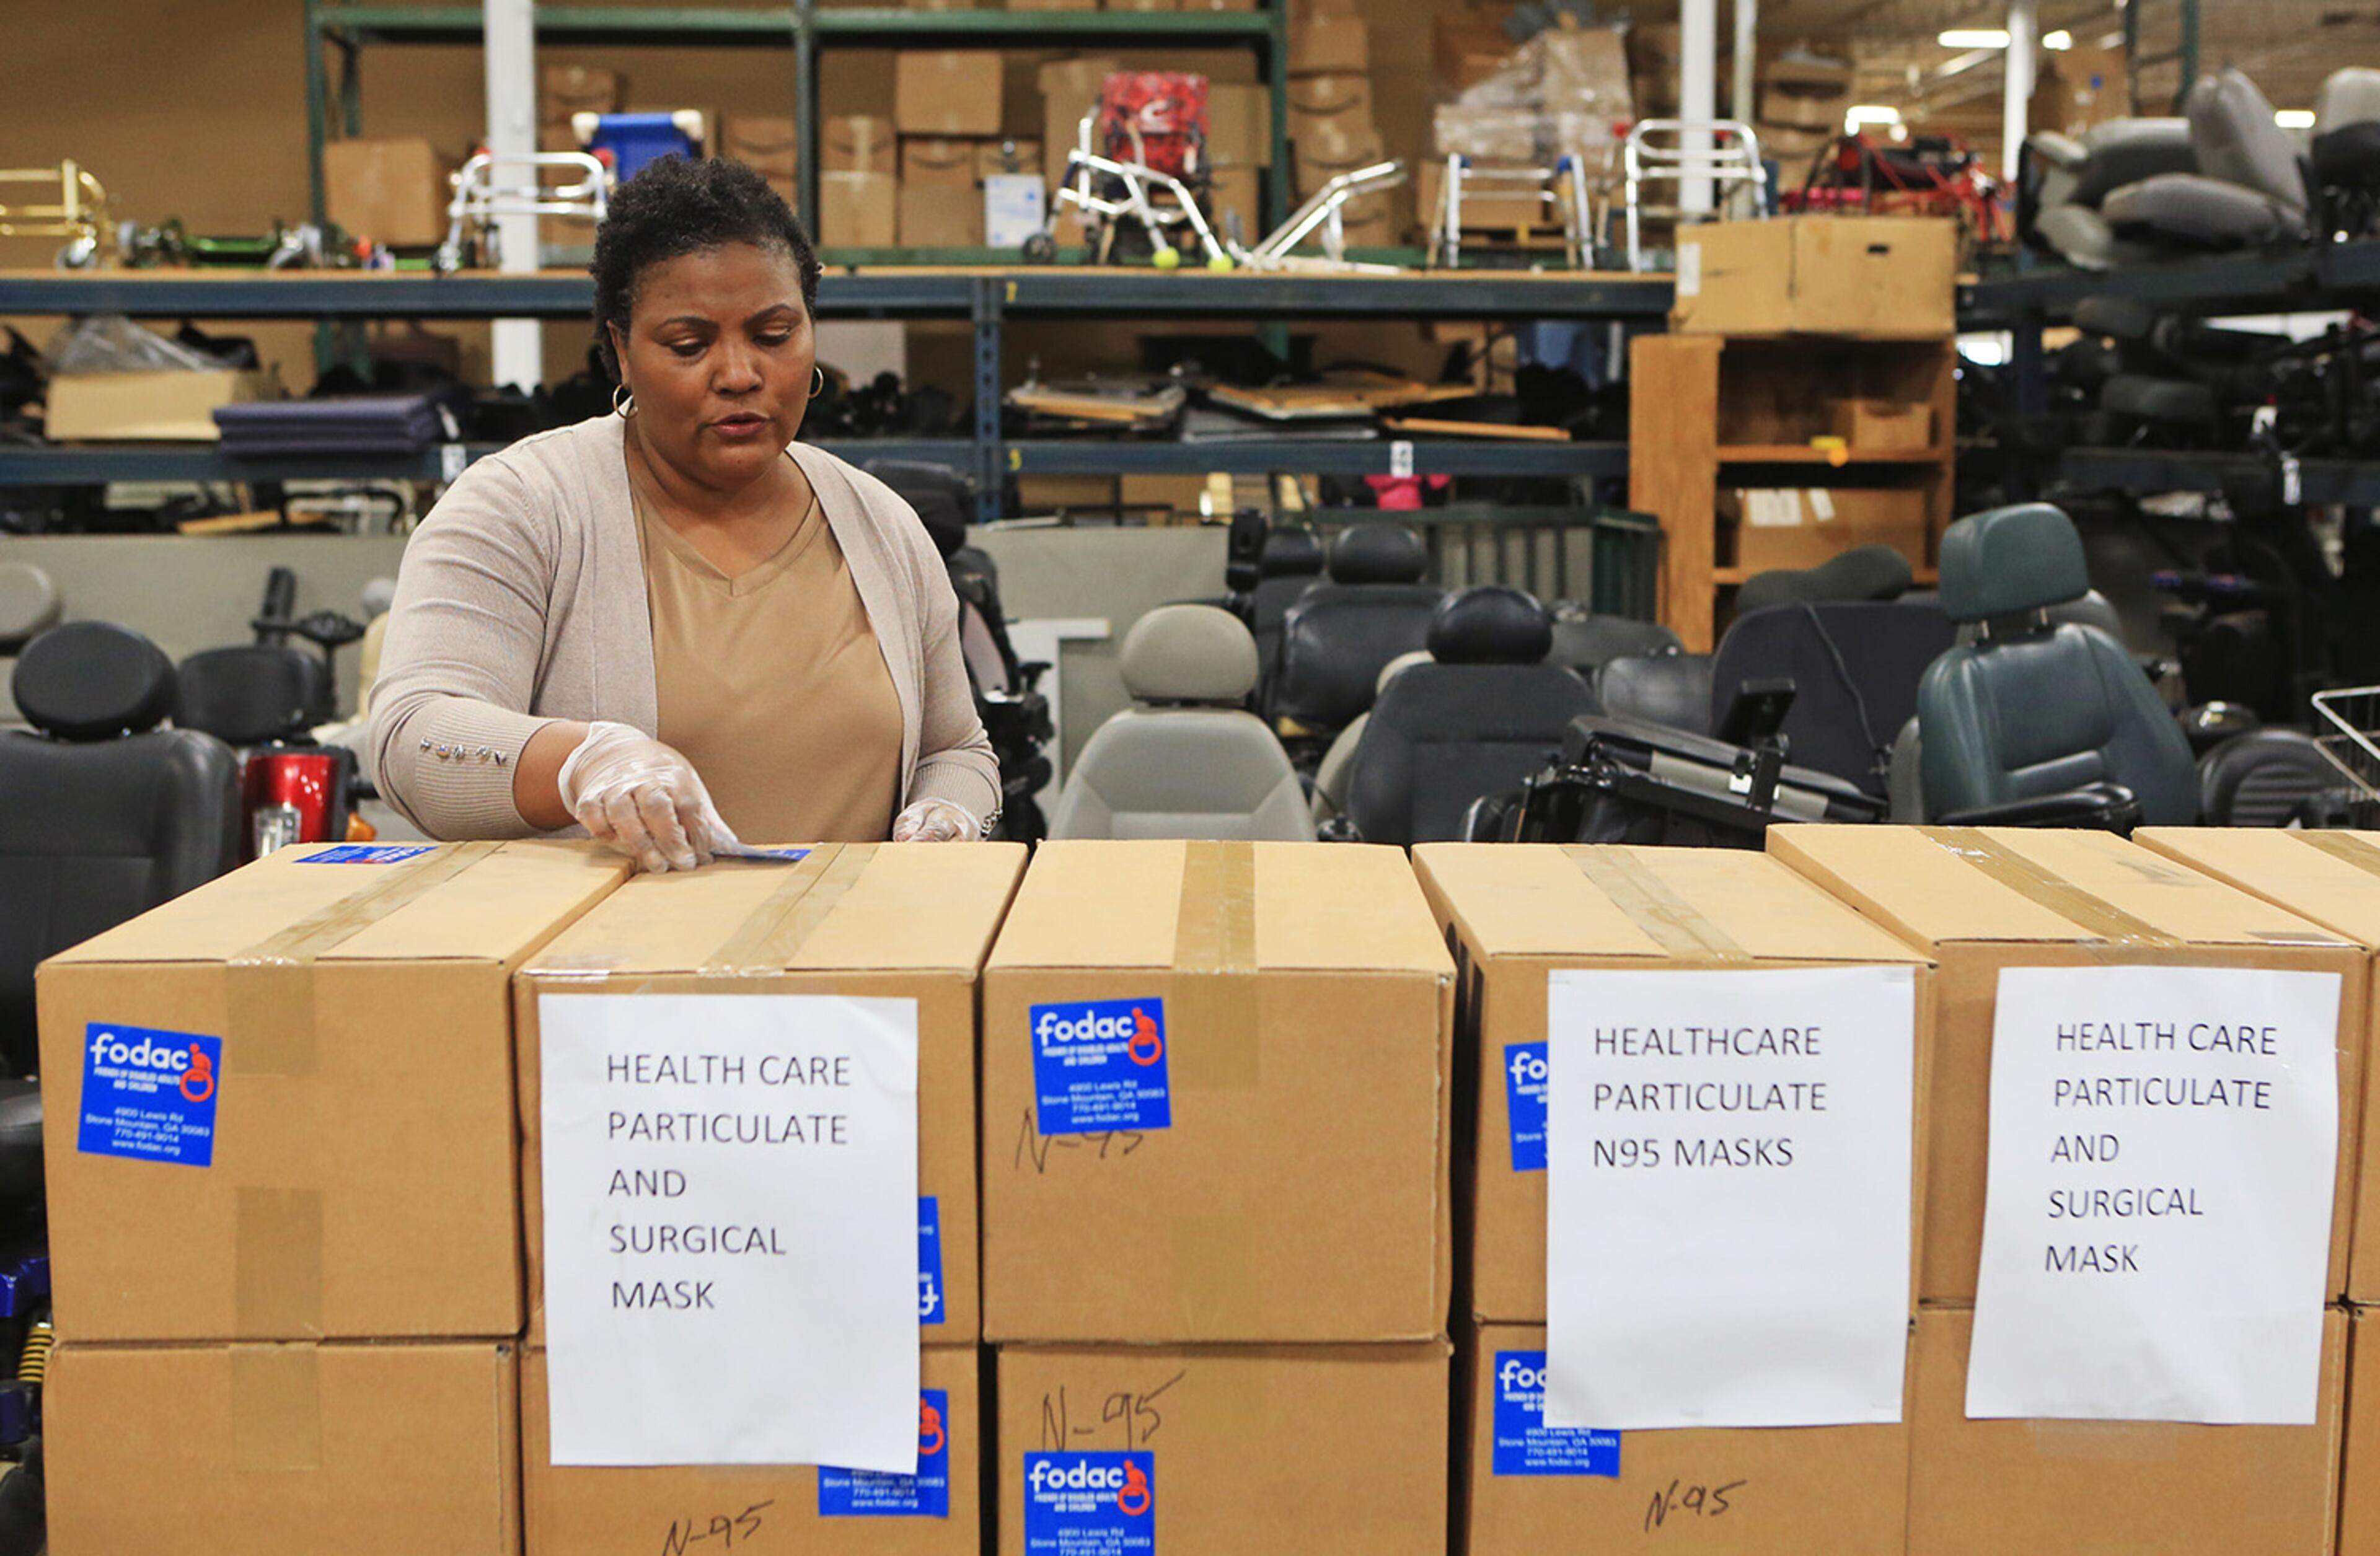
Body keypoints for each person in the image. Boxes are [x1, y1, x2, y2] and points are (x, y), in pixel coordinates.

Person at [368, 157, 996, 871]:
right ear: (621, 351)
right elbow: (413, 739)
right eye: (689, 346)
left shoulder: (880, 525)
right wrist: (586, 761)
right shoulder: (519, 508)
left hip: (846, 964)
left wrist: (952, 813)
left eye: (773, 335)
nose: (739, 374)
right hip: (606, 970)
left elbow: (957, 749)